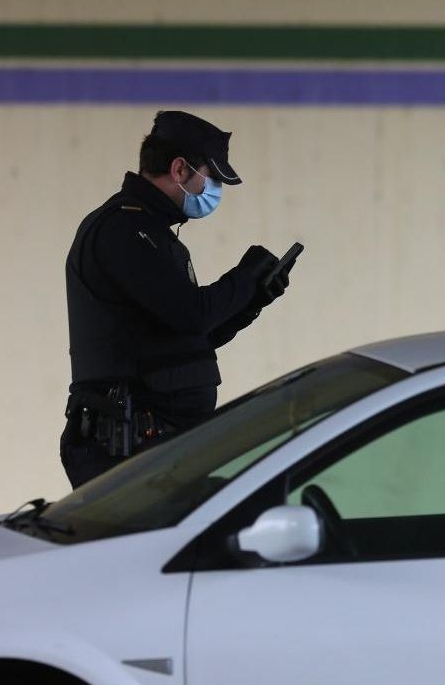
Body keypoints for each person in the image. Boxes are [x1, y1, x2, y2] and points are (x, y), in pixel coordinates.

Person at [62, 111, 292, 487]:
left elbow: (182, 338)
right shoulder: (124, 230)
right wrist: (244, 278)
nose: (215, 190)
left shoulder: (150, 232)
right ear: (180, 170)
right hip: (127, 448)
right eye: (212, 177)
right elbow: (190, 316)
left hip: (158, 445)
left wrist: (252, 300)